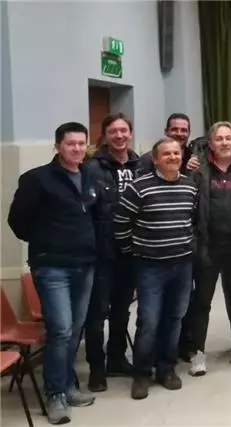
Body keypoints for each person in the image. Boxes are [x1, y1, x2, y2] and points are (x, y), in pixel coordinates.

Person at [7, 122, 104, 424]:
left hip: (85, 263)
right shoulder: (37, 179)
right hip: (52, 266)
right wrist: (46, 242)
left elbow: (97, 217)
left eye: (81, 144)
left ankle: (68, 384)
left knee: (74, 329)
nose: (76, 149)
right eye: (70, 143)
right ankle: (55, 394)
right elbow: (17, 221)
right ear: (57, 146)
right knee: (60, 329)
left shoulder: (90, 175)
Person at [115, 138, 198, 400]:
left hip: (182, 265)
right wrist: (132, 250)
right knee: (149, 321)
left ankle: (166, 369)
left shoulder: (189, 186)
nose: (173, 157)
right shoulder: (139, 187)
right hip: (150, 266)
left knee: (175, 318)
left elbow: (192, 220)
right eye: (166, 154)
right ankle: (141, 374)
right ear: (155, 159)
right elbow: (121, 223)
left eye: (176, 153)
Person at [185, 122, 231, 376]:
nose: (225, 143)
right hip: (206, 245)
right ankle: (198, 351)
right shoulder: (197, 171)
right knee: (202, 300)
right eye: (219, 139)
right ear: (211, 143)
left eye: (229, 138)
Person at [83, 113, 139, 392]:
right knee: (96, 314)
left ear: (130, 133)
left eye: (123, 130)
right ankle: (96, 367)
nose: (119, 136)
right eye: (113, 131)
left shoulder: (140, 164)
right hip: (101, 253)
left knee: (121, 310)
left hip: (131, 251)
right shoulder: (91, 168)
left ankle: (117, 358)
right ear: (105, 135)